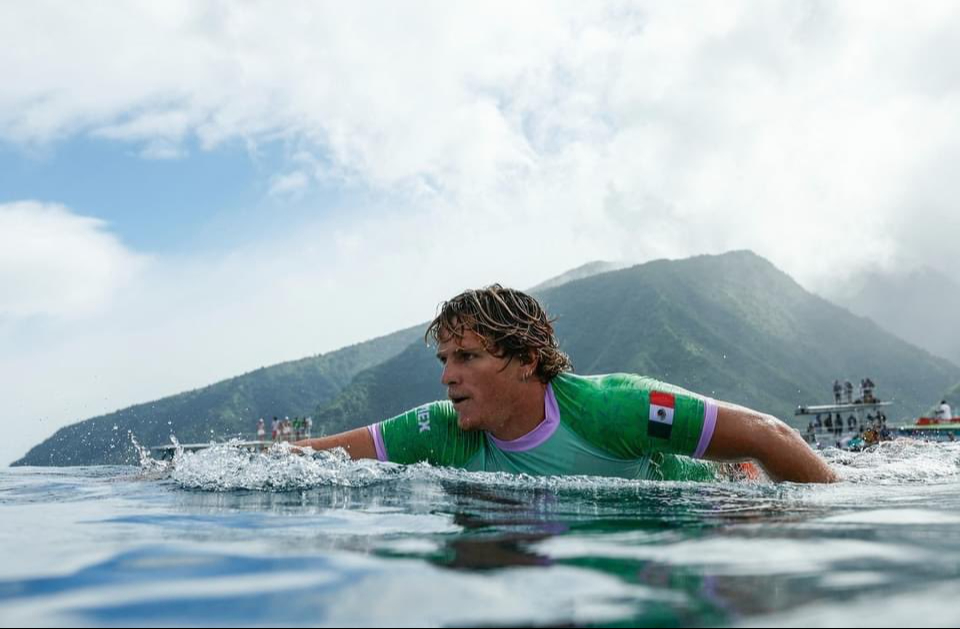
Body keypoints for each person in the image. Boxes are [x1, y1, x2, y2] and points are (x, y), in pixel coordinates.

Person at [295, 285, 837, 483]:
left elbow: (773, 438)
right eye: (444, 358)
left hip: (709, 507)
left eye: (467, 356)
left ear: (527, 360)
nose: (447, 376)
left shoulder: (613, 407)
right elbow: (304, 459)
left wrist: (827, 533)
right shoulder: (441, 429)